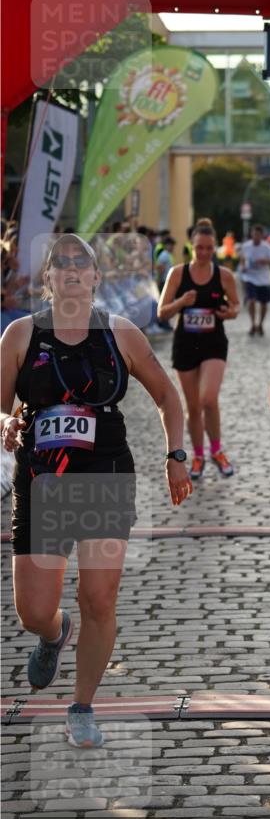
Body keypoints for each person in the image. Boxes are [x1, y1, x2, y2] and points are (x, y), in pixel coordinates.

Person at [0, 233, 192, 747]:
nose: (69, 271)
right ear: (47, 279)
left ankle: (82, 704)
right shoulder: (20, 335)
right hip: (41, 481)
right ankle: (53, 632)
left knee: (99, 598)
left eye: (79, 264)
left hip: (106, 476)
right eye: (58, 264)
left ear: (94, 278)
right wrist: (6, 423)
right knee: (32, 609)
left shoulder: (120, 334)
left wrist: (176, 455)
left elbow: (168, 398)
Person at [157, 221, 240, 481]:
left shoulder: (224, 275)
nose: (204, 253)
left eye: (208, 248)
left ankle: (217, 450)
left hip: (213, 343)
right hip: (185, 344)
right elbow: (162, 312)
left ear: (214, 248)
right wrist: (182, 301)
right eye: (199, 248)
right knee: (193, 407)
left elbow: (235, 306)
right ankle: (199, 455)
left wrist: (229, 312)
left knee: (208, 398)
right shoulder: (177, 274)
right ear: (191, 247)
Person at [239, 224, 270, 336]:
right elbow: (242, 258)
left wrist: (265, 261)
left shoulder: (266, 247)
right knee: (252, 300)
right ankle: (253, 324)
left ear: (262, 236)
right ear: (252, 234)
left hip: (263, 278)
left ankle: (261, 324)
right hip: (250, 277)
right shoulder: (246, 246)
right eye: (254, 234)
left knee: (263, 303)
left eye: (258, 235)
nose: (256, 237)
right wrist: (243, 266)